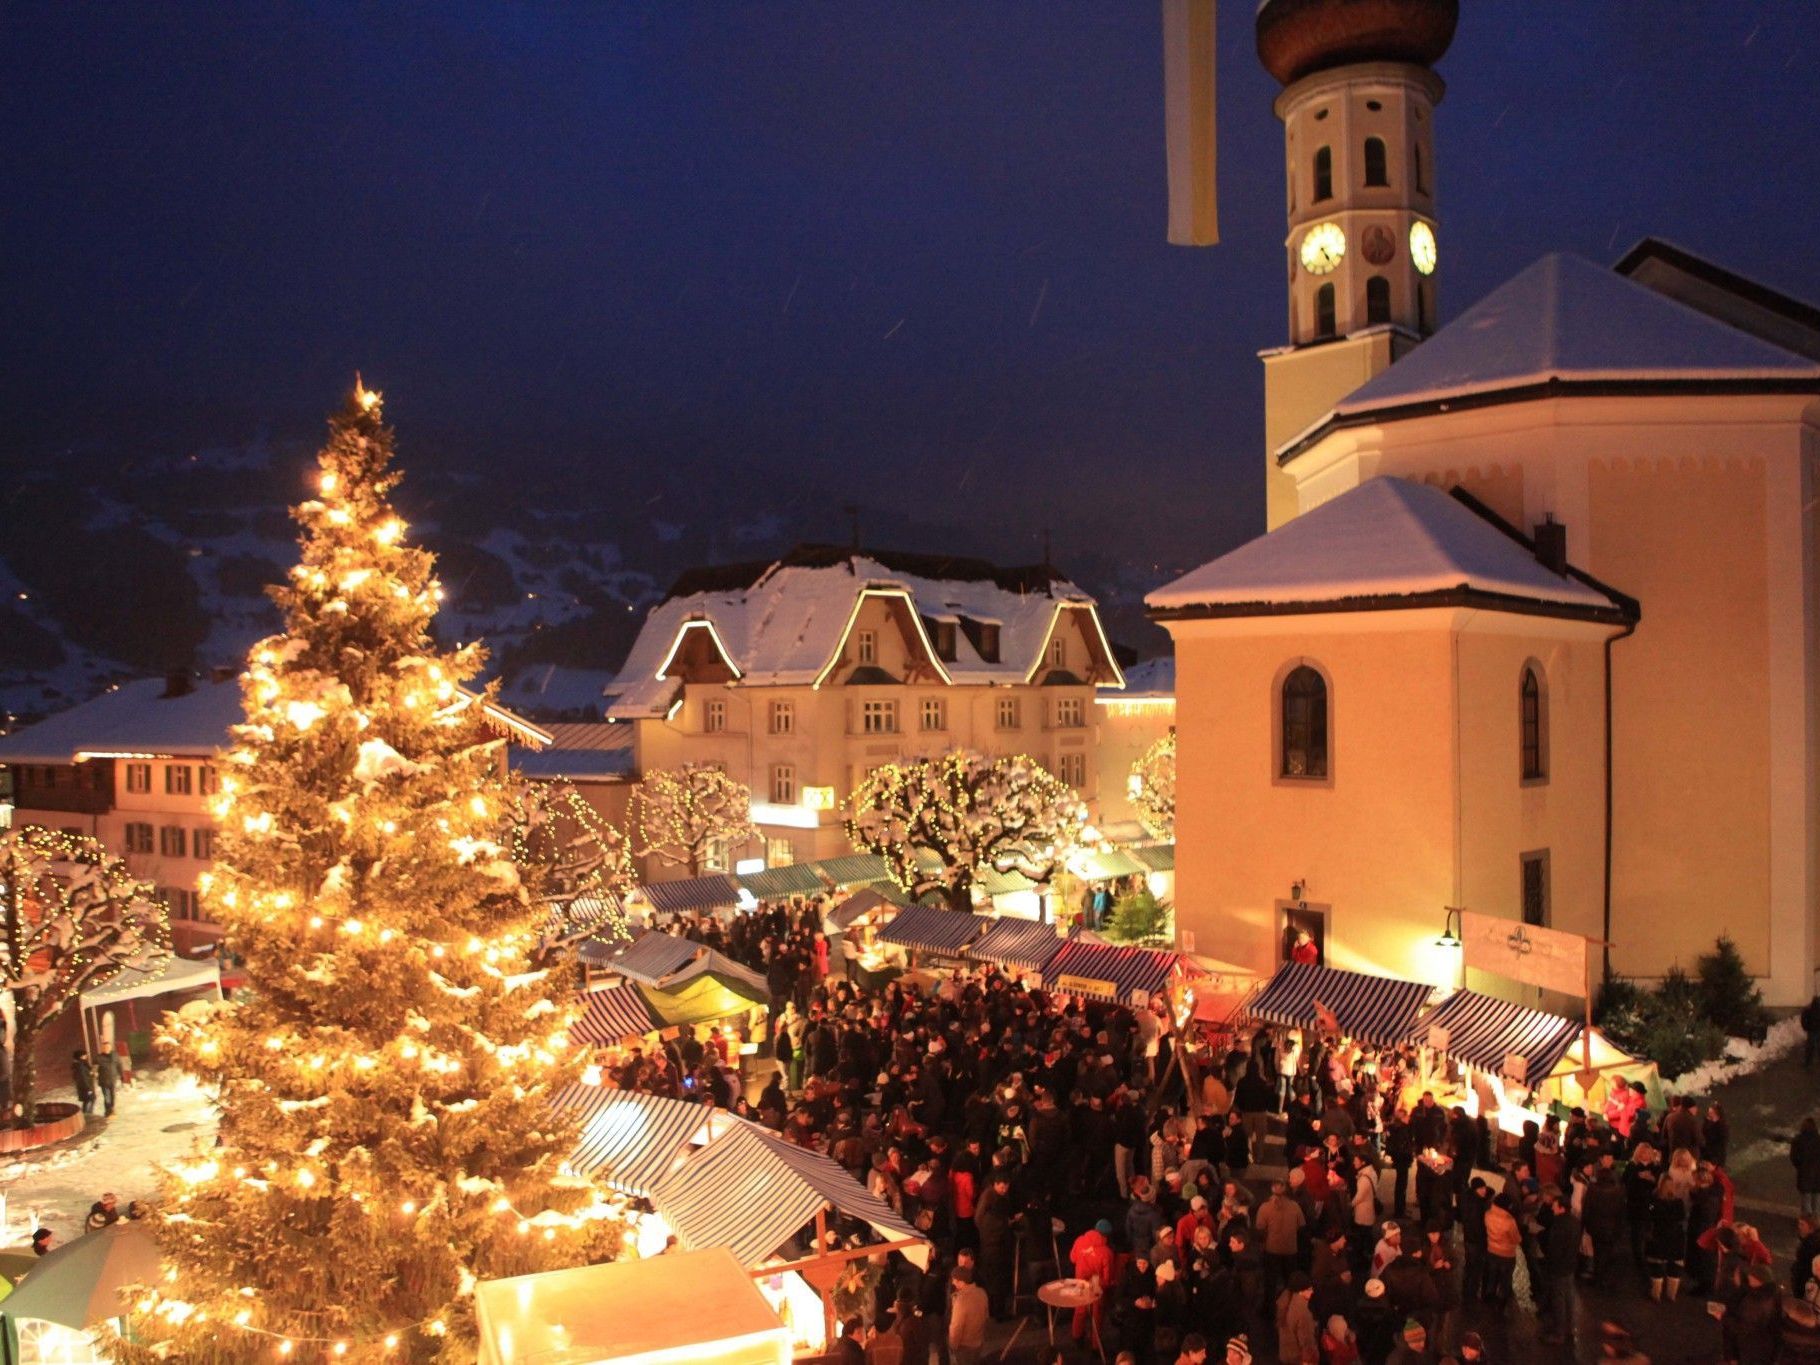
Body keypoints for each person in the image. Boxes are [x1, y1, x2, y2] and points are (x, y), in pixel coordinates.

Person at [1538, 1187, 1581, 1348]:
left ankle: (1558, 1333)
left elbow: (1554, 1249)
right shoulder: (1575, 1222)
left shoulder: (1559, 1225)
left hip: (1558, 1268)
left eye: (1555, 1206)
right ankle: (1569, 1328)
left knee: (1558, 1300)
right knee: (1569, 1297)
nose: (1552, 1208)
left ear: (1562, 1208)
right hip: (1570, 1266)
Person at [1645, 1174, 1688, 1302]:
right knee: (1674, 1268)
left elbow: (1650, 1212)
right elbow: (1682, 1217)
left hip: (1659, 1236)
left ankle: (1656, 1294)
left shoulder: (1654, 1201)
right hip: (1676, 1237)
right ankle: (1671, 1294)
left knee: (1657, 1268)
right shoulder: (1678, 1202)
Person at [1274, 1273, 1318, 1365]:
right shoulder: (1302, 1312)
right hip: (1298, 1358)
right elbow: (1306, 1341)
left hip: (1285, 1354)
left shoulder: (1284, 1304)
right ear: (1300, 1291)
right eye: (1309, 1289)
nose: (1312, 1291)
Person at [1793, 1117, 1820, 1218]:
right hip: (1818, 1175)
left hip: (1804, 1173)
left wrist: (1800, 1166)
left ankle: (1807, 1222)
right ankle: (1816, 1220)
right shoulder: (1819, 1140)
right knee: (1817, 1199)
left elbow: (1794, 1157)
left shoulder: (1799, 1140)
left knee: (1806, 1198)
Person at [94, 1047, 119, 1118]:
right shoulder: (98, 1058)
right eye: (105, 1048)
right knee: (107, 1097)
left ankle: (112, 1109)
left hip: (112, 1080)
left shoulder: (115, 1056)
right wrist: (95, 1073)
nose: (106, 1049)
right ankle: (108, 1111)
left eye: (108, 1048)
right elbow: (95, 1068)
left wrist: (122, 1075)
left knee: (113, 1096)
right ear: (103, 1049)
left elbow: (119, 1065)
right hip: (103, 1081)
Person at [70, 1049, 96, 1117]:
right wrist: (88, 1089)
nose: (86, 1056)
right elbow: (83, 1078)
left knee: (87, 1101)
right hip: (86, 1088)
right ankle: (88, 1117)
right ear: (80, 1057)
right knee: (90, 1101)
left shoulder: (81, 1065)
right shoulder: (80, 1066)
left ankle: (86, 1116)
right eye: (84, 1055)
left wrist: (91, 1074)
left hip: (85, 1088)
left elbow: (85, 1075)